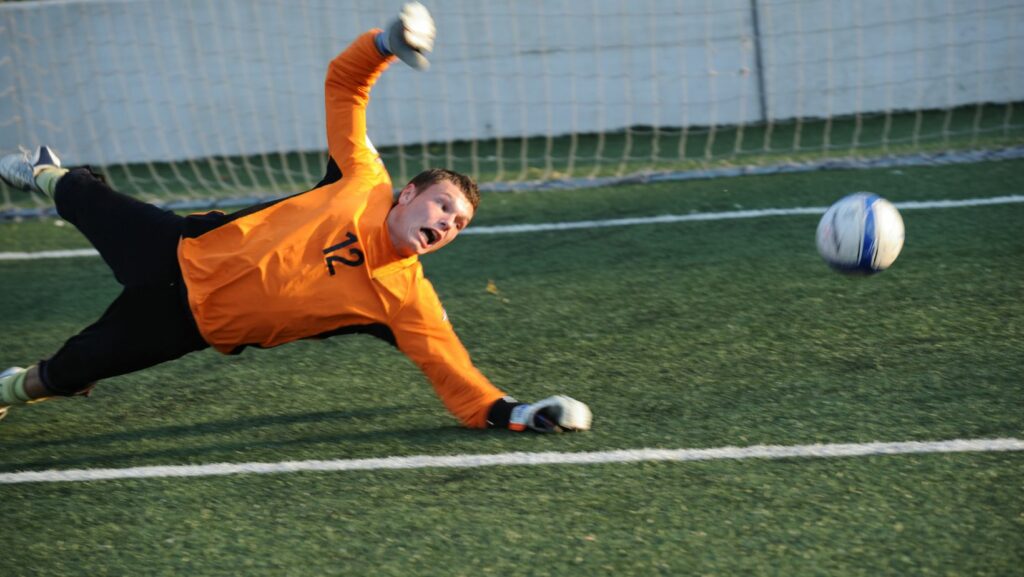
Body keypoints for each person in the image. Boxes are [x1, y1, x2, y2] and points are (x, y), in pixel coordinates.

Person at [0, 3, 591, 433]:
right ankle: (46, 172)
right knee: (82, 195)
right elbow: (345, 84)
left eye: (458, 225)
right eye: (443, 206)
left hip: (185, 327)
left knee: (63, 374)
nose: (447, 225)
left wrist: (519, 414)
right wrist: (385, 43)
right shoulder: (362, 179)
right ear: (408, 192)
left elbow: (457, 378)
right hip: (177, 247)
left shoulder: (405, 300)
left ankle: (8, 386)